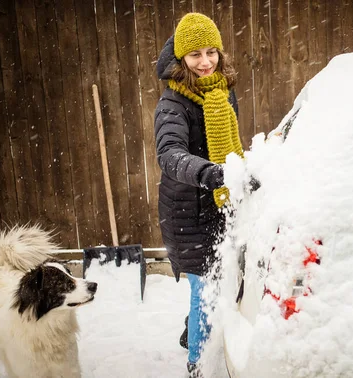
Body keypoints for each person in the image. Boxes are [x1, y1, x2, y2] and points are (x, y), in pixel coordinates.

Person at [154, 12, 243, 377]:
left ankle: (192, 331)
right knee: (205, 288)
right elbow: (169, 155)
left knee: (220, 280)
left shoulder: (222, 91)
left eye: (211, 52)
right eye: (195, 55)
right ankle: (197, 364)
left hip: (219, 205)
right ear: (181, 59)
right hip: (186, 213)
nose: (205, 62)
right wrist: (213, 174)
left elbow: (229, 146)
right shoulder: (172, 104)